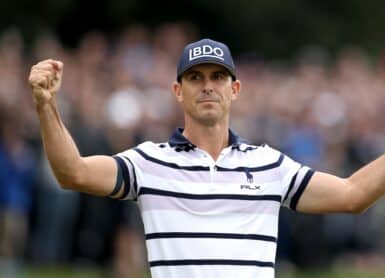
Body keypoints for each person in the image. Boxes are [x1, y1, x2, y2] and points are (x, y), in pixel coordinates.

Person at [28, 38, 385, 278]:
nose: (208, 86)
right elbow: (72, 172)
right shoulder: (149, 163)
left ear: (235, 89)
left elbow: (352, 195)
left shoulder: (269, 165)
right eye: (195, 78)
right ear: (178, 92)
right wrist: (46, 106)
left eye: (218, 76)